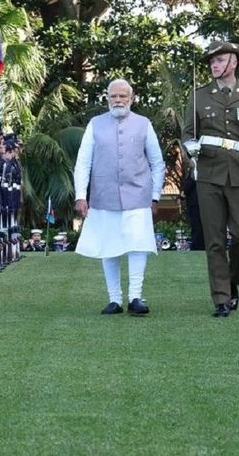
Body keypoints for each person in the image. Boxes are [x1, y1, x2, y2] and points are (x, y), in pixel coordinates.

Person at [182, 41, 239, 317]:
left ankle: (232, 280)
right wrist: (190, 146)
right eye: (212, 62)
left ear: (233, 63)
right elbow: (187, 133)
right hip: (209, 174)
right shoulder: (199, 96)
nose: (214, 65)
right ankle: (221, 298)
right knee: (215, 240)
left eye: (220, 61)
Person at [74, 79, 165, 316]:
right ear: (107, 98)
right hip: (104, 197)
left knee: (138, 246)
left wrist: (155, 195)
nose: (118, 100)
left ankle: (136, 296)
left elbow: (157, 162)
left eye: (123, 96)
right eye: (114, 96)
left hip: (138, 196)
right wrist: (81, 195)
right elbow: (83, 162)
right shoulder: (95, 124)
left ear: (132, 99)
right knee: (109, 247)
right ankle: (114, 299)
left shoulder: (144, 124)